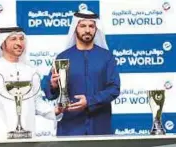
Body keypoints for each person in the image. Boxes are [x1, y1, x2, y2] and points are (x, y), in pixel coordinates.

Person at [45, 6, 120, 136]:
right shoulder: (63, 57)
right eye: (83, 26)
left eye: (91, 26)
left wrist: (89, 101)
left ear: (96, 29)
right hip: (70, 127)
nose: (87, 30)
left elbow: (114, 89)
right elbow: (51, 94)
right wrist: (53, 85)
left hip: (100, 126)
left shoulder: (106, 57)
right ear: (75, 28)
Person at [0, 26, 57, 140]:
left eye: (21, 39)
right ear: (2, 43)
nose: (19, 43)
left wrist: (54, 111)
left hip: (28, 136)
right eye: (13, 39)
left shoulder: (31, 71)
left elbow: (36, 101)